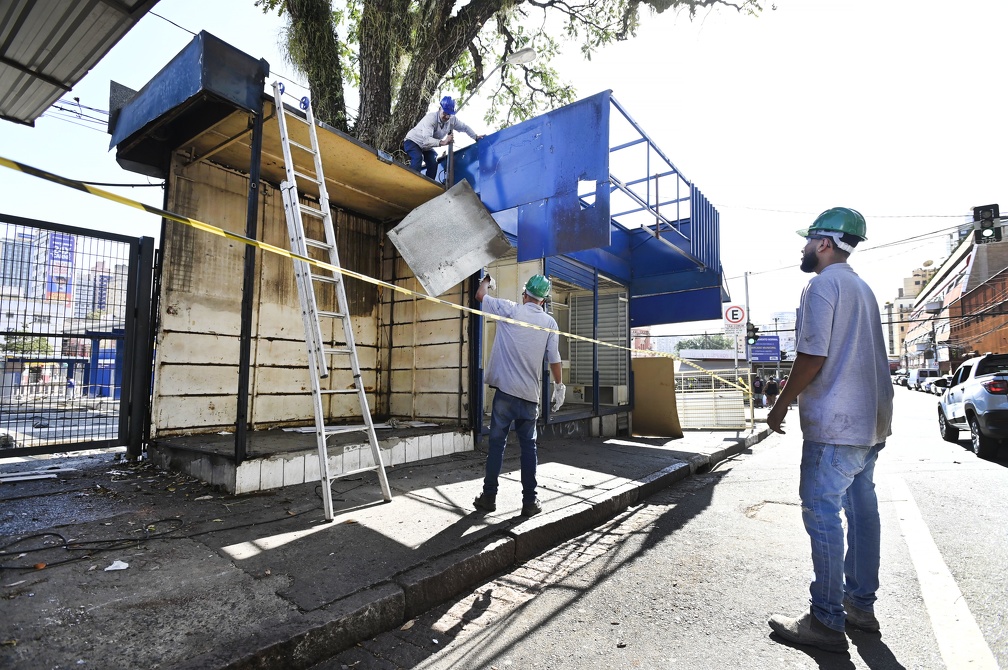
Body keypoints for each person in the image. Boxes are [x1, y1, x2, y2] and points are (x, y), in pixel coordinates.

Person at [766, 207, 894, 654]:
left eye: (807, 241)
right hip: (870, 425)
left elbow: (812, 356)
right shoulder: (862, 288)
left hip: (836, 425)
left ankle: (825, 619)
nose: (802, 248)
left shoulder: (822, 285)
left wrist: (781, 403)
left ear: (823, 243)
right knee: (862, 515)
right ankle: (860, 607)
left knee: (822, 514)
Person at [472, 273, 565, 517]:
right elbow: (554, 360)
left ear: (525, 295)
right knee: (528, 449)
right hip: (530, 398)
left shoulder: (509, 309)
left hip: (505, 394)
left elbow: (480, 295)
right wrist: (559, 386)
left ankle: (489, 497)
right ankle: (530, 502)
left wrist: (487, 280)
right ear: (543, 300)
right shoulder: (550, 323)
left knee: (496, 446)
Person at [403, 96, 484, 180]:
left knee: (433, 163)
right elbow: (426, 140)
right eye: (444, 113)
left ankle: (427, 185)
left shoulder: (452, 120)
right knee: (418, 158)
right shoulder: (431, 118)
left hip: (426, 147)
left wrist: (475, 137)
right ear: (439, 109)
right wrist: (444, 142)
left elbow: (465, 127)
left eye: (448, 114)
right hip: (413, 141)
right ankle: (411, 181)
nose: (446, 116)